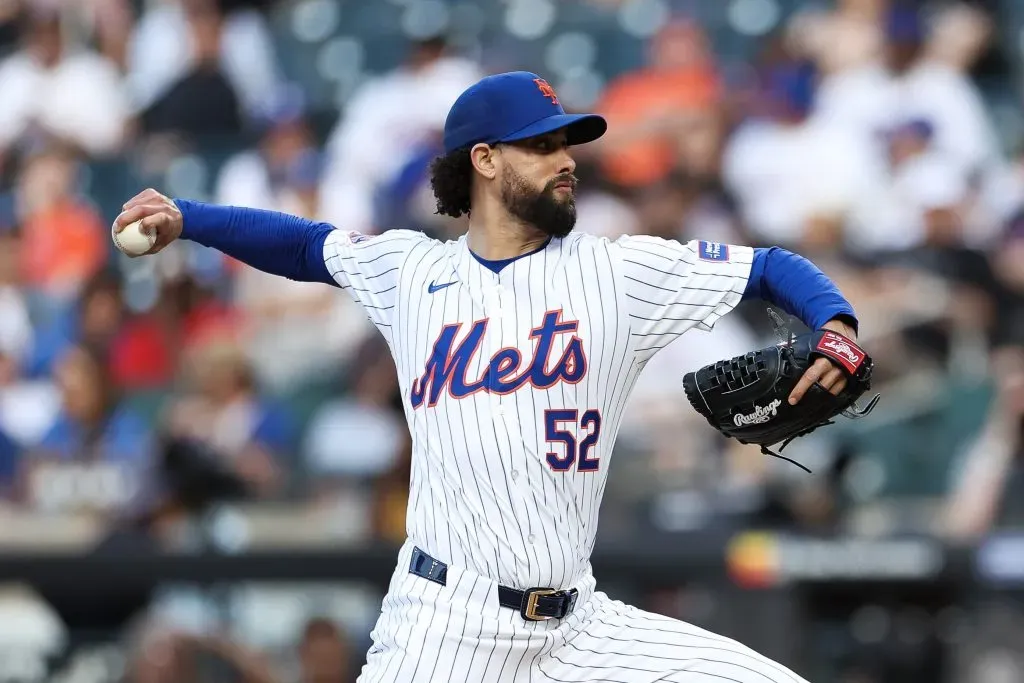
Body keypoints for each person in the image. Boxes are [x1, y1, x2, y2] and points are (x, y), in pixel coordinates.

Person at [114, 71, 861, 682]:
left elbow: (768, 267)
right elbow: (306, 246)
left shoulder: (619, 270)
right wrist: (188, 217)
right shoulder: (411, 271)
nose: (566, 158)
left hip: (581, 629)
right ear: (485, 160)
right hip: (445, 626)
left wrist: (836, 326)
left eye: (566, 142)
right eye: (541, 145)